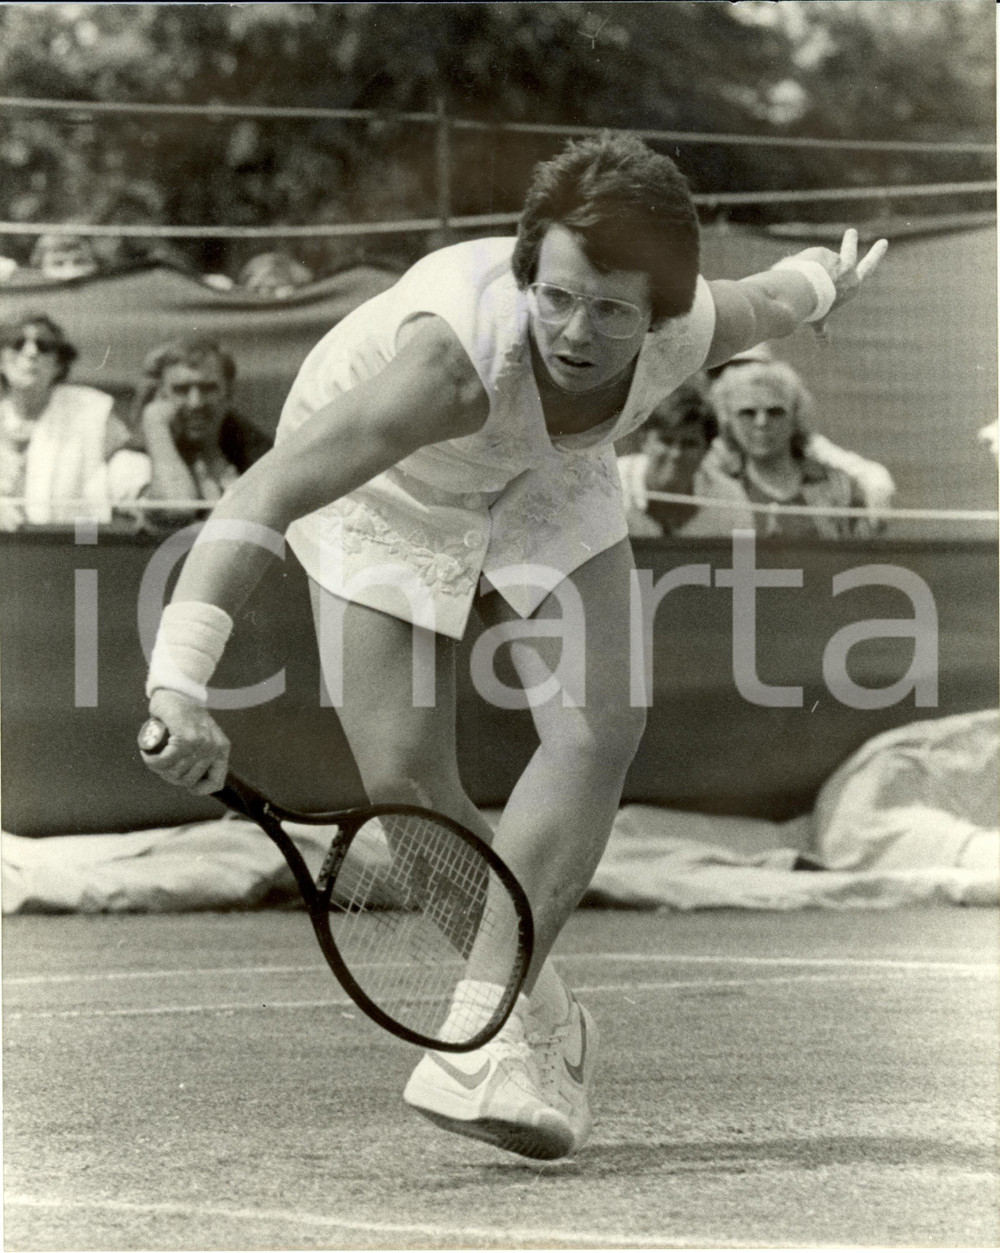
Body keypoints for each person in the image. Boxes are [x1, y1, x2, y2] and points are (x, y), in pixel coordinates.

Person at [140, 132, 887, 1160]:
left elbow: (768, 298)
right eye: (559, 297)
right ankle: (541, 1020)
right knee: (405, 784)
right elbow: (263, 490)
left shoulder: (681, 328)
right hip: (389, 485)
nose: (580, 332)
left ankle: (483, 1023)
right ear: (529, 270)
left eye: (615, 310)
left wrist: (822, 276)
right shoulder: (442, 367)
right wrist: (178, 675)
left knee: (598, 724)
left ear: (661, 312)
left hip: (542, 473)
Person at [699, 356, 877, 539]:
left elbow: (862, 559)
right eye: (747, 413)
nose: (762, 422)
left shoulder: (839, 486)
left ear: (795, 417)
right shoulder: (713, 486)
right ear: (727, 422)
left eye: (775, 412)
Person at [108, 336, 272, 524]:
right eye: (181, 390)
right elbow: (177, 508)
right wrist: (155, 423)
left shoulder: (256, 457)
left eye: (209, 388)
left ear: (229, 393)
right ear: (161, 395)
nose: (195, 403)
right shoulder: (132, 462)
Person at [0, 313, 128, 528]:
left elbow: (129, 470)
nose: (31, 353)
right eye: (17, 343)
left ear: (59, 364)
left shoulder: (92, 410)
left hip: (74, 546)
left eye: (44, 346)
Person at [617, 384, 725, 536]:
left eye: (690, 443)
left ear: (706, 449)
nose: (676, 454)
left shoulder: (729, 497)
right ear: (644, 440)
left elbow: (745, 558)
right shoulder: (610, 487)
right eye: (666, 441)